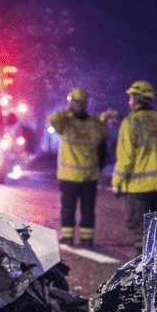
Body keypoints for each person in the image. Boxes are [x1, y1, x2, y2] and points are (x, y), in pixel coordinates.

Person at [111, 80, 157, 248]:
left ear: (136, 99)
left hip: (139, 189)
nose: (129, 101)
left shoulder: (131, 122)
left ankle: (143, 271)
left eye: (130, 97)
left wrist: (117, 183)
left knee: (142, 236)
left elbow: (125, 158)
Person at [47, 87, 109, 246]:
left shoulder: (69, 122)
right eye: (76, 102)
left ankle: (83, 237)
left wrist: (69, 109)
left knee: (82, 208)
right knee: (76, 208)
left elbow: (103, 135)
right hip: (82, 175)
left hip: (77, 175)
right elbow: (52, 119)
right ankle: (78, 237)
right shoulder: (68, 122)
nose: (79, 105)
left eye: (80, 103)